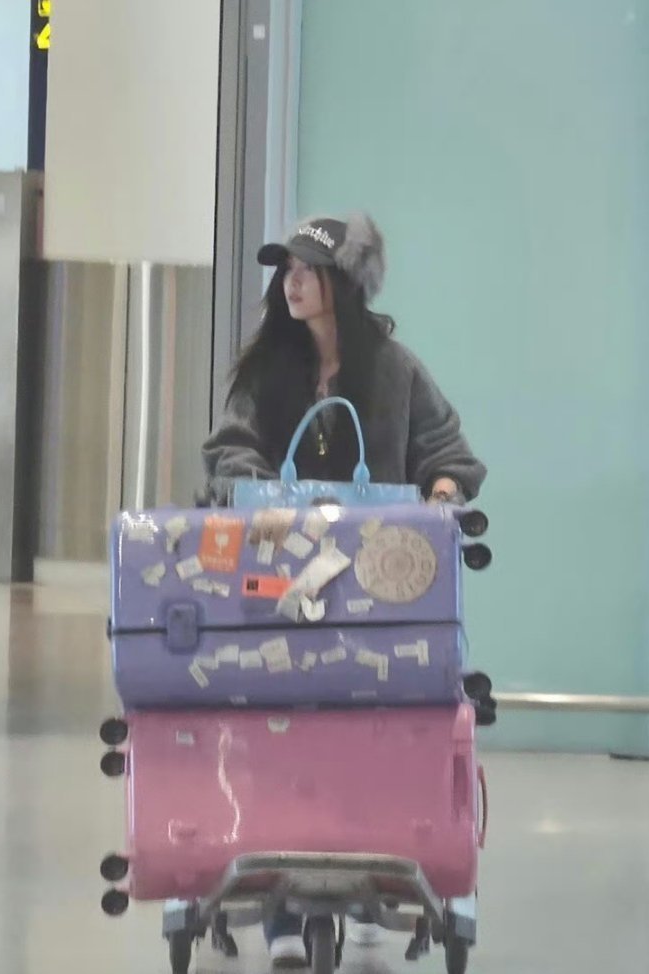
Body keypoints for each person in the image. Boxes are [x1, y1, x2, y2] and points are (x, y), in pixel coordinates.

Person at [202, 213, 486, 969]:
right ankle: (280, 913)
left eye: (308, 269)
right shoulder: (266, 372)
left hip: (376, 592)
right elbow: (229, 453)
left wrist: (443, 492)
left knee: (369, 730)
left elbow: (447, 452)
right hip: (276, 580)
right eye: (286, 270)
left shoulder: (394, 371)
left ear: (346, 283)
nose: (292, 282)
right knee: (276, 727)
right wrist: (270, 498)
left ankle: (366, 871)